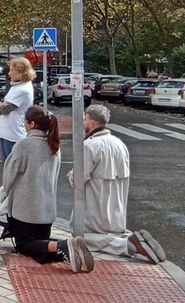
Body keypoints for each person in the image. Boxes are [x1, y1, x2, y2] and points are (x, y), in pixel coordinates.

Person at [0, 106, 94, 273]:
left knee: (24, 245)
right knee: (41, 244)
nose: (24, 124)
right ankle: (68, 248)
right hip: (47, 210)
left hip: (26, 209)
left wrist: (5, 195)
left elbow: (9, 176)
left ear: (32, 124)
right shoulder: (54, 145)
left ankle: (63, 245)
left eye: (25, 122)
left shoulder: (24, 145)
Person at [69, 105, 166, 263]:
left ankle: (125, 245)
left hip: (95, 204)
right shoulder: (120, 143)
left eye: (85, 119)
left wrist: (71, 176)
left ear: (92, 122)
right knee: (113, 231)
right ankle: (131, 238)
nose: (83, 123)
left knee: (79, 236)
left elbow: (78, 178)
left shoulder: (90, 145)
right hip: (117, 205)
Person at [0, 57, 36, 163]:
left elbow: (6, 108)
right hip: (8, 132)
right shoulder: (18, 86)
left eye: (11, 70)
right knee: (8, 165)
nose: (9, 73)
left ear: (20, 72)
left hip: (13, 134)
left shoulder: (22, 89)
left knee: (11, 166)